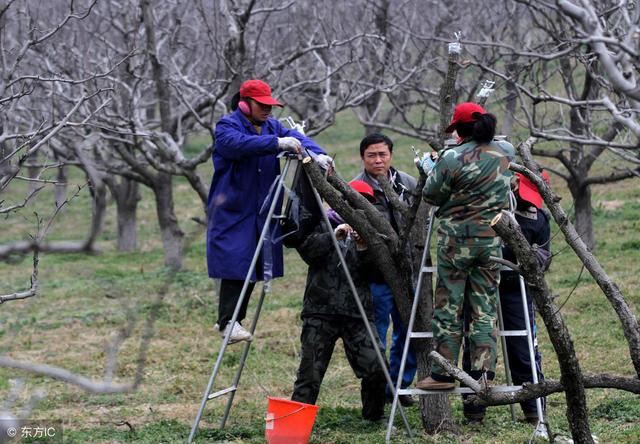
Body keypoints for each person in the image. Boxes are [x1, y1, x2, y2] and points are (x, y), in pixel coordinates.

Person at [206, 79, 330, 343]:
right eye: (261, 105)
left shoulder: (271, 126)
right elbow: (238, 144)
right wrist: (277, 143)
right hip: (234, 209)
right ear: (244, 103)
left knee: (253, 265)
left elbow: (298, 138)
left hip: (262, 209)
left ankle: (233, 321)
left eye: (269, 105)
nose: (267, 110)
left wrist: (319, 154)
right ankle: (227, 321)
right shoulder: (227, 126)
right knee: (235, 263)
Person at [415, 102, 515, 390]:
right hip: (491, 240)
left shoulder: (451, 158)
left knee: (449, 306)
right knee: (484, 307)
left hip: (455, 244)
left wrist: (430, 168)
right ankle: (484, 373)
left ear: (458, 130)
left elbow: (432, 195)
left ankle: (444, 373)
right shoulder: (505, 152)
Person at [290, 180, 387, 422]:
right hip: (320, 311)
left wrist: (365, 248)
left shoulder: (371, 232)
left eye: (365, 203)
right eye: (353, 202)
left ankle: (373, 418)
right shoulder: (320, 222)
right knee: (310, 372)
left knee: (377, 366)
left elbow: (378, 274)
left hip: (358, 314)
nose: (359, 209)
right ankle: (296, 422)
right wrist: (334, 236)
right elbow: (308, 251)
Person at [462, 170, 551, 423]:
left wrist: (529, 257)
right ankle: (474, 409)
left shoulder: (539, 218)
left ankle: (534, 409)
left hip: (517, 289)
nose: (526, 201)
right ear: (513, 186)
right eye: (523, 194)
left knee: (524, 349)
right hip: (483, 285)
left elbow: (544, 256)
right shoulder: (491, 208)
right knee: (480, 346)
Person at [352, 133, 418, 407]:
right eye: (372, 155)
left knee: (409, 332)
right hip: (374, 275)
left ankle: (399, 387)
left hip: (408, 274)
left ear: (391, 154)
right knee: (377, 333)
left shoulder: (408, 183)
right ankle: (377, 392)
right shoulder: (355, 188)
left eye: (383, 154)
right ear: (363, 157)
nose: (378, 160)